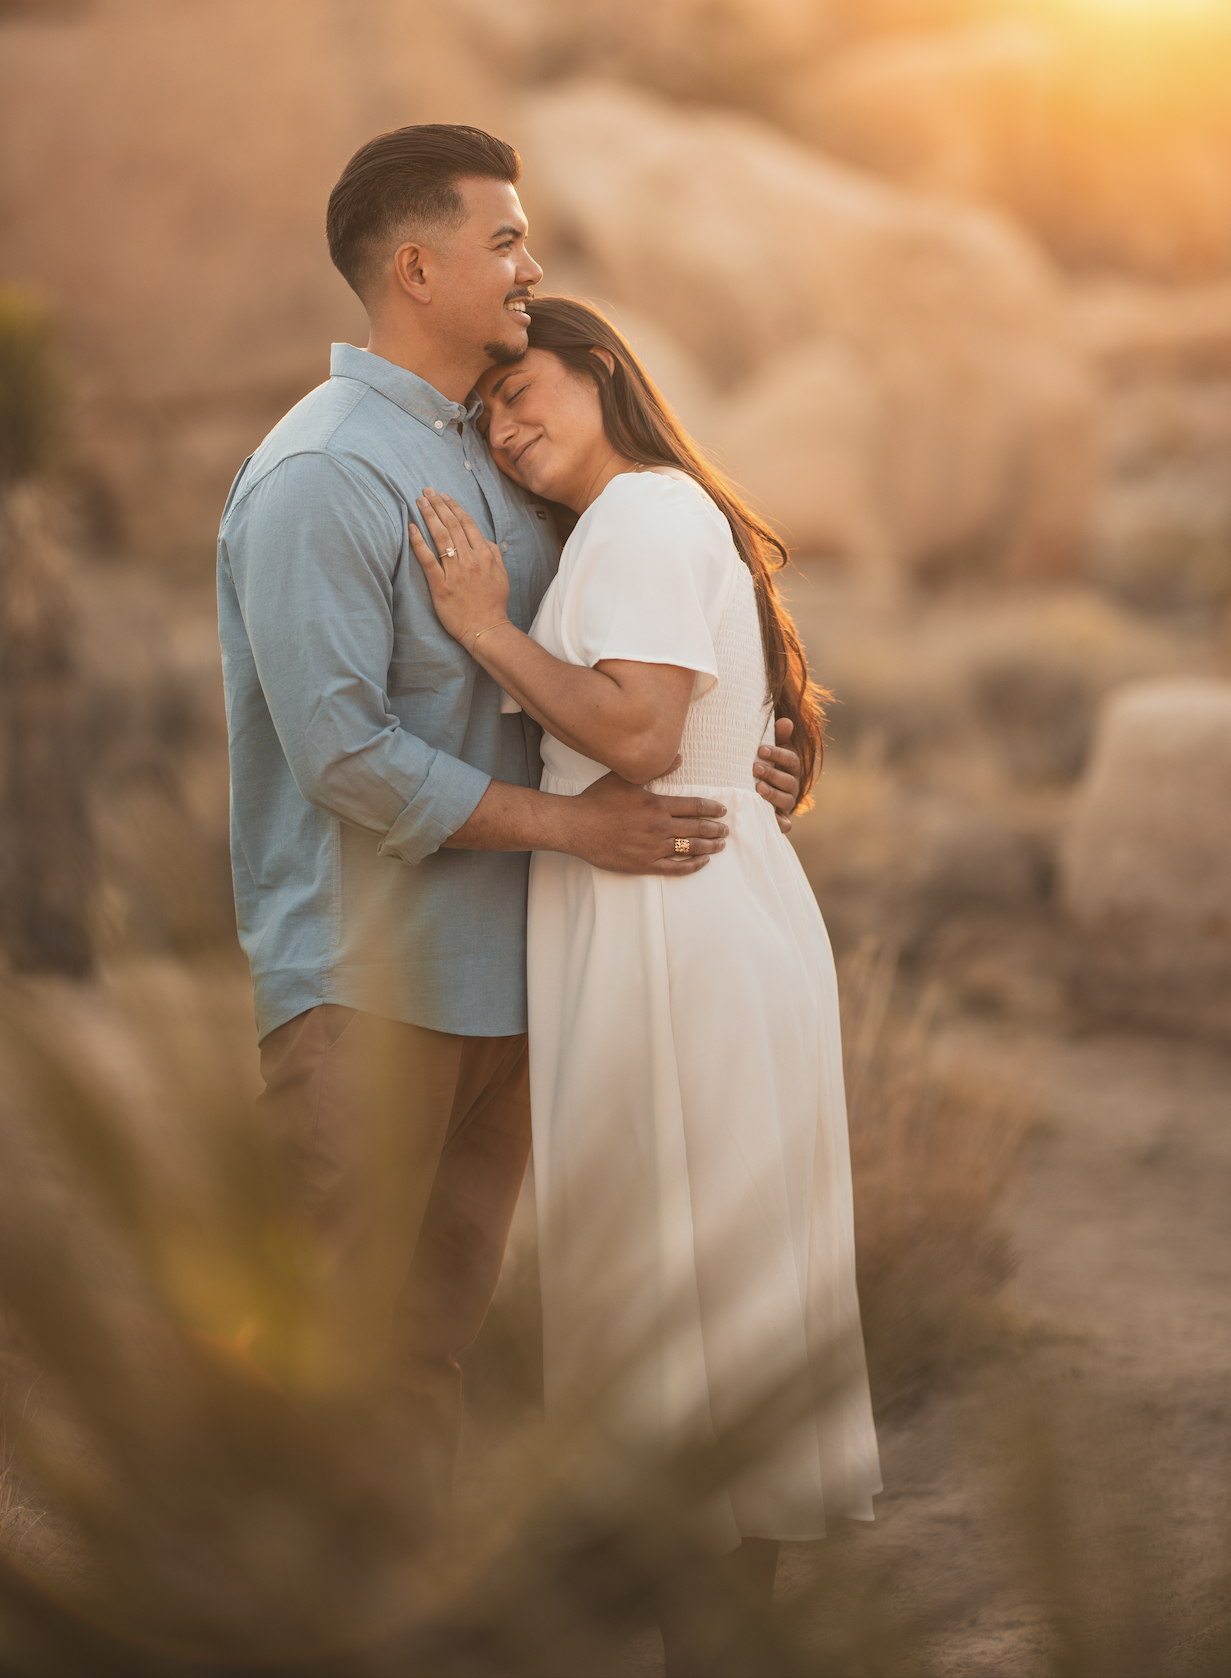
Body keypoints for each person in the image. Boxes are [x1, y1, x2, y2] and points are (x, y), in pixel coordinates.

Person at [216, 126, 802, 1496]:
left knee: (424, 1356)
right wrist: (582, 831)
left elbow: (617, 673)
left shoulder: (503, 458)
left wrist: (736, 752)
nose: (531, 264)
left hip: (516, 991)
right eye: (505, 240)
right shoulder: (320, 476)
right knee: (321, 1354)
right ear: (416, 266)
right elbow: (344, 753)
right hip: (371, 988)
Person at [408, 296, 882, 1659]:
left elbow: (637, 728)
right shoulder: (646, 517)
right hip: (690, 919)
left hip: (675, 933)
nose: (506, 428)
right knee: (707, 1315)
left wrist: (488, 630)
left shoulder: (643, 517)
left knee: (692, 1314)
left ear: (600, 369)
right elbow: (716, 728)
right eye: (487, 414)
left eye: (523, 389)